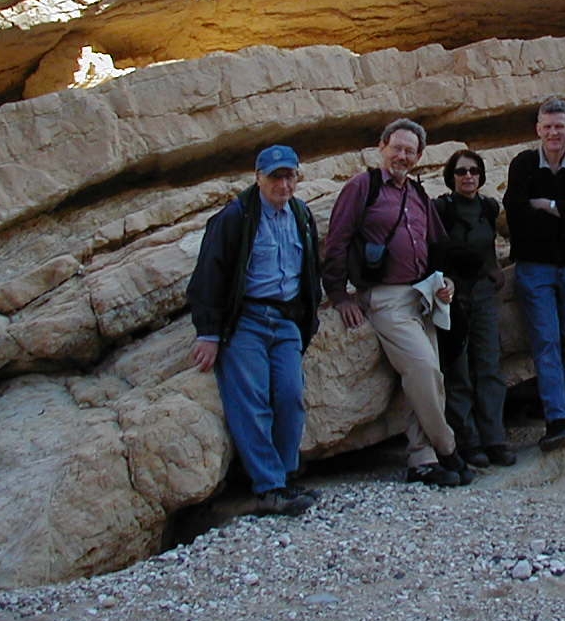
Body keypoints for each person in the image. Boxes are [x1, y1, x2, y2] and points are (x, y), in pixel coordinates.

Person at [321, 119, 472, 487]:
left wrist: (447, 281)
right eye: (397, 148)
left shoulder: (417, 194)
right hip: (386, 298)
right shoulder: (362, 187)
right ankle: (448, 447)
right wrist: (338, 295)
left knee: (429, 378)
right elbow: (337, 241)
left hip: (422, 295)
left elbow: (437, 245)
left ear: (419, 157)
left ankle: (422, 460)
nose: (402, 156)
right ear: (382, 147)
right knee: (423, 369)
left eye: (410, 151)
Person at [187, 145, 323, 516]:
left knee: (291, 396)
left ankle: (285, 475)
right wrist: (209, 333)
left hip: (286, 320)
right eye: (276, 177)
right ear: (258, 177)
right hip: (246, 319)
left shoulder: (301, 215)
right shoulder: (236, 216)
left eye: (289, 176)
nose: (284, 184)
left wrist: (309, 319)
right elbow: (209, 274)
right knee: (251, 401)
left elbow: (310, 269)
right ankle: (269, 487)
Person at [503, 96, 565, 451]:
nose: (554, 133)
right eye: (548, 127)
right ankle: (557, 417)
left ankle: (561, 413)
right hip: (535, 268)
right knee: (546, 341)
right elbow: (517, 217)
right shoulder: (524, 165)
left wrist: (547, 206)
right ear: (538, 130)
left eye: (560, 126)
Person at [434, 150, 516, 468]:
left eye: (473, 171)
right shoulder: (442, 209)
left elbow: (488, 246)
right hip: (452, 294)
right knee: (458, 367)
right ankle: (467, 440)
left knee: (488, 364)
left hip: (482, 293)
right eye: (461, 171)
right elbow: (435, 249)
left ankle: (494, 438)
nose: (468, 176)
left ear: (481, 175)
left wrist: (494, 270)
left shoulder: (488, 207)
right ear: (451, 177)